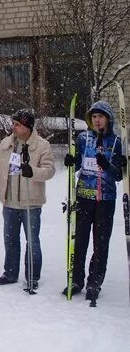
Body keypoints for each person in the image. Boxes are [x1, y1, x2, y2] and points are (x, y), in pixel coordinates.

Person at [0, 109, 55, 290]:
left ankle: (32, 275)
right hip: (9, 201)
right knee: (10, 239)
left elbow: (49, 170)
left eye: (18, 125)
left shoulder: (42, 145)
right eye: (14, 123)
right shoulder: (7, 143)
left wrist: (32, 172)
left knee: (32, 241)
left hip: (31, 202)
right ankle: (10, 273)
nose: (14, 127)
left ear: (27, 126)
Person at [63, 100, 123, 302]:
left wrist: (108, 165)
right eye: (94, 117)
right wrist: (71, 160)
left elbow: (118, 175)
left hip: (105, 199)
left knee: (101, 243)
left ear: (108, 119)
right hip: (83, 197)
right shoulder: (82, 138)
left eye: (101, 117)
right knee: (79, 240)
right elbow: (77, 162)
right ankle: (76, 279)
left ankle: (94, 281)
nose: (97, 121)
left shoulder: (116, 142)